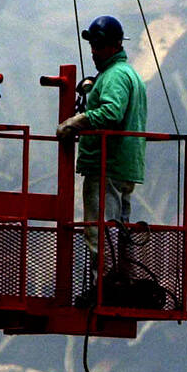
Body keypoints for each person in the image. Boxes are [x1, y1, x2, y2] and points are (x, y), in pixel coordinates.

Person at [56, 15, 147, 273]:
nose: (94, 52)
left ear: (115, 45)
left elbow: (111, 113)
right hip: (124, 164)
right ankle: (120, 280)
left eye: (99, 46)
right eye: (93, 46)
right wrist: (91, 91)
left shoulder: (115, 76)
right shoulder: (125, 73)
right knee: (118, 228)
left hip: (107, 164)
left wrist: (75, 122)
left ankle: (103, 287)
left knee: (100, 230)